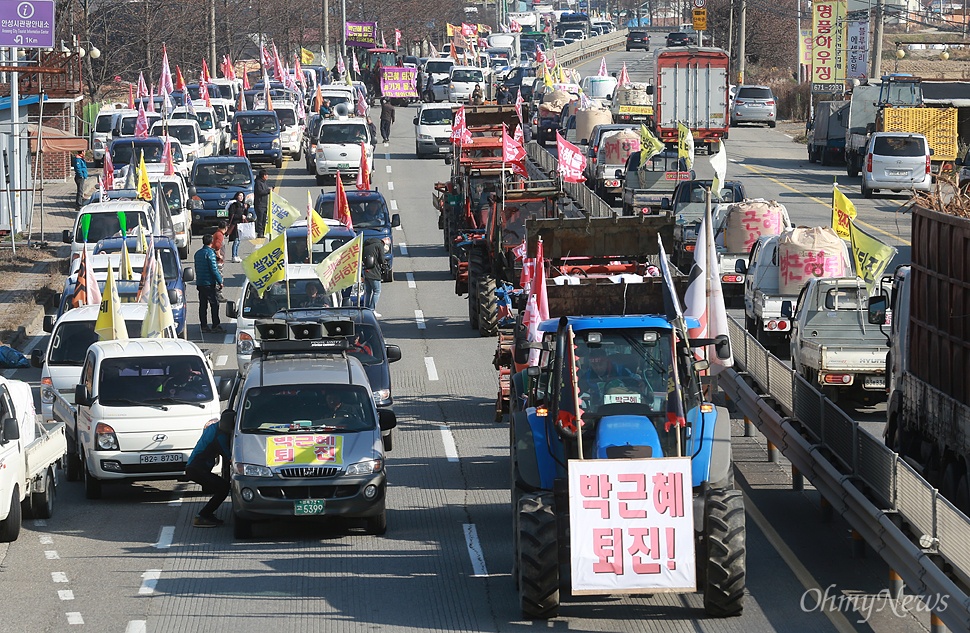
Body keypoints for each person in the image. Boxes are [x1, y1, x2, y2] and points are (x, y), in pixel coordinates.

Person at [185, 409, 233, 527]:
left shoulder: (214, 428)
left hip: (194, 467)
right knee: (223, 488)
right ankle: (203, 516)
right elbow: (230, 458)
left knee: (219, 487)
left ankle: (207, 514)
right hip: (197, 469)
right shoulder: (219, 436)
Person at [194, 233, 224, 334]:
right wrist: (220, 281)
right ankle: (215, 325)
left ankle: (203, 325)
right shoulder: (210, 253)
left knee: (203, 305)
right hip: (209, 283)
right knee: (214, 304)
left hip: (200, 282)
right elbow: (214, 269)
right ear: (211, 242)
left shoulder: (197, 253)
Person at [362, 237, 386, 316]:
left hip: (366, 270)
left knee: (368, 292)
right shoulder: (379, 245)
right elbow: (382, 259)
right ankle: (372, 309)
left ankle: (366, 309)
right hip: (375, 271)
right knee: (377, 291)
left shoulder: (365, 244)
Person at [226, 192, 249, 262]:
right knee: (236, 241)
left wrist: (246, 209)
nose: (241, 197)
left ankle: (236, 255)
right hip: (235, 225)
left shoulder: (242, 205)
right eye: (240, 196)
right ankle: (233, 256)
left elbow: (245, 214)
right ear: (237, 196)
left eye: (242, 196)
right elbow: (231, 215)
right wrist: (240, 216)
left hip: (241, 225)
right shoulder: (234, 205)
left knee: (238, 241)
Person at [253, 170, 271, 238]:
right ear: (263, 176)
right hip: (259, 204)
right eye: (266, 175)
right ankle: (260, 232)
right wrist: (268, 191)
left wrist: (269, 190)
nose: (267, 176)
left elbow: (265, 190)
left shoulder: (264, 182)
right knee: (260, 219)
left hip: (264, 203)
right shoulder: (258, 183)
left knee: (264, 218)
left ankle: (263, 231)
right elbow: (260, 192)